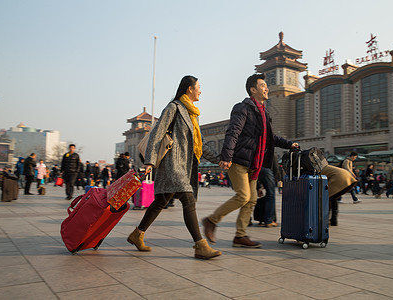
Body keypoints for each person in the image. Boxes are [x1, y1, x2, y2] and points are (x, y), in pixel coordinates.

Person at [127, 75, 221, 260]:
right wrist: (149, 161)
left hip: (185, 165)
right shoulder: (174, 108)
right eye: (198, 87)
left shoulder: (192, 113)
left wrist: (219, 159)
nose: (200, 90)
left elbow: (199, 145)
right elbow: (156, 134)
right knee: (188, 199)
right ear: (189, 89)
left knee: (161, 201)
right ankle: (200, 245)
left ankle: (137, 234)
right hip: (172, 163)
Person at [202, 73, 298, 248]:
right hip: (239, 161)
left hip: (254, 164)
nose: (266, 88)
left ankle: (240, 236)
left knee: (252, 199)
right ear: (253, 90)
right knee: (244, 196)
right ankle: (211, 220)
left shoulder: (264, 113)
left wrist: (290, 144)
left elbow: (271, 138)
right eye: (262, 85)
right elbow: (233, 131)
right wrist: (226, 156)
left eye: (266, 85)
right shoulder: (243, 108)